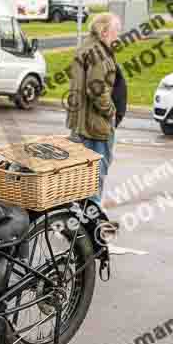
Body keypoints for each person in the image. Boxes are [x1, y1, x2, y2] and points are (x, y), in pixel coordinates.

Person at [65, 12, 123, 205]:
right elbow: (96, 89)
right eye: (116, 30)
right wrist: (111, 111)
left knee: (83, 175)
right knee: (95, 175)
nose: (118, 35)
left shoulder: (86, 46)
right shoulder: (98, 53)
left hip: (82, 123)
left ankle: (78, 219)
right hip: (94, 125)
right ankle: (93, 221)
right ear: (105, 31)